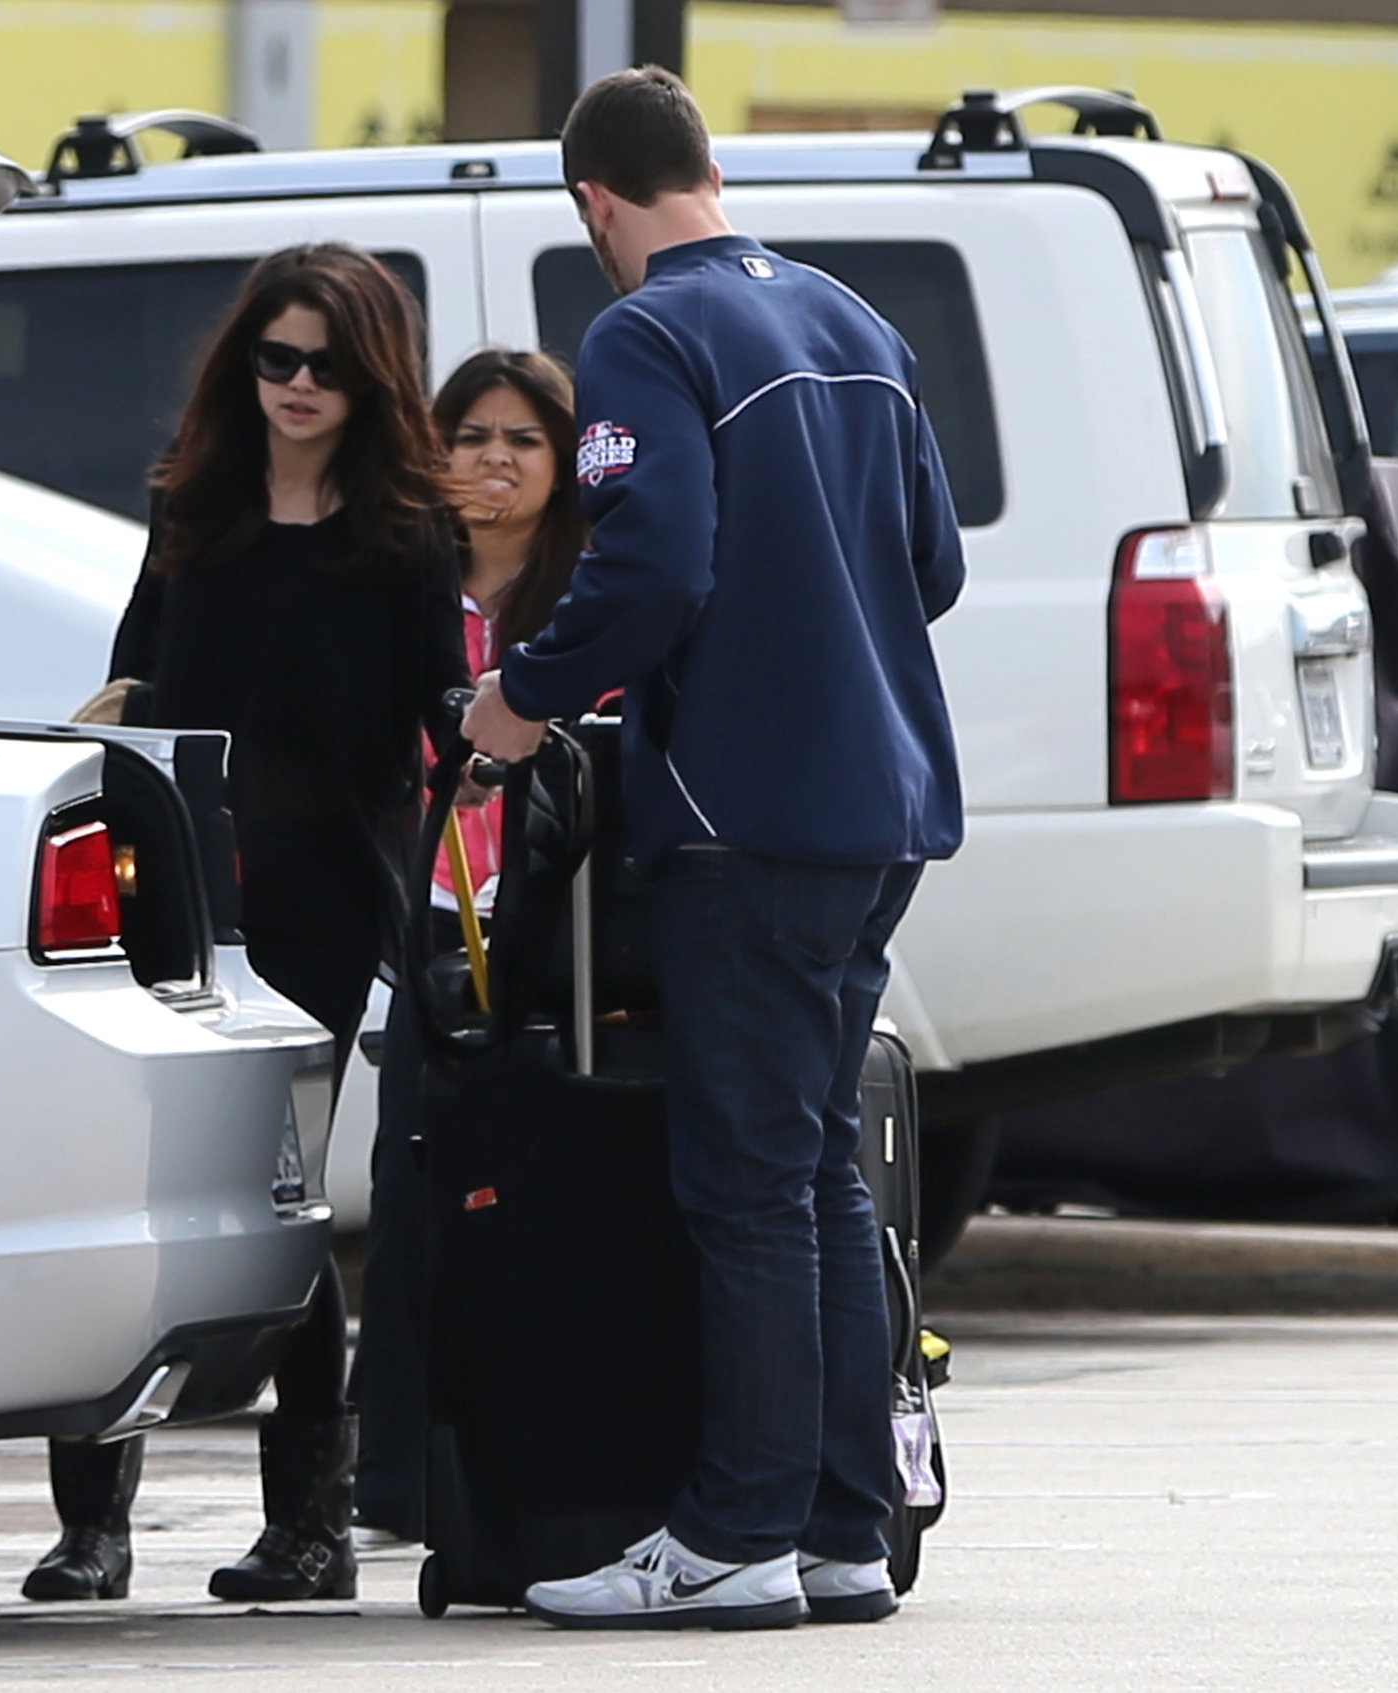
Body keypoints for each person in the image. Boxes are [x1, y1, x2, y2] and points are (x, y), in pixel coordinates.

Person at [459, 67, 966, 1631]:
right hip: (883, 809)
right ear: (708, 170)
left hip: (748, 818)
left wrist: (524, 698)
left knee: (746, 1181)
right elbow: (934, 568)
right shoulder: (852, 321)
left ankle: (736, 1531)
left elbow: (656, 555)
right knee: (812, 1168)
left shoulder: (646, 330)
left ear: (594, 202)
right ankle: (838, 1530)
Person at [27, 242, 469, 1606]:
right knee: (123, 1190)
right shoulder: (195, 500)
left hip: (322, 895)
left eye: (326, 366)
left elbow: (443, 729)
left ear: (370, 378)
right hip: (177, 887)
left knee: (275, 1200)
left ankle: (310, 1524)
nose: (296, 385)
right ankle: (93, 1523)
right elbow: (130, 682)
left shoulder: (401, 532)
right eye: (275, 358)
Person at [349, 347, 586, 1546]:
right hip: (429, 928)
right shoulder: (395, 584)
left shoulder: (590, 595)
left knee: (547, 1197)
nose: (492, 460)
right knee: (411, 1195)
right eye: (470, 436)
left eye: (523, 440)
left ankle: (551, 1456)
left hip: (562, 938)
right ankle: (391, 1476)